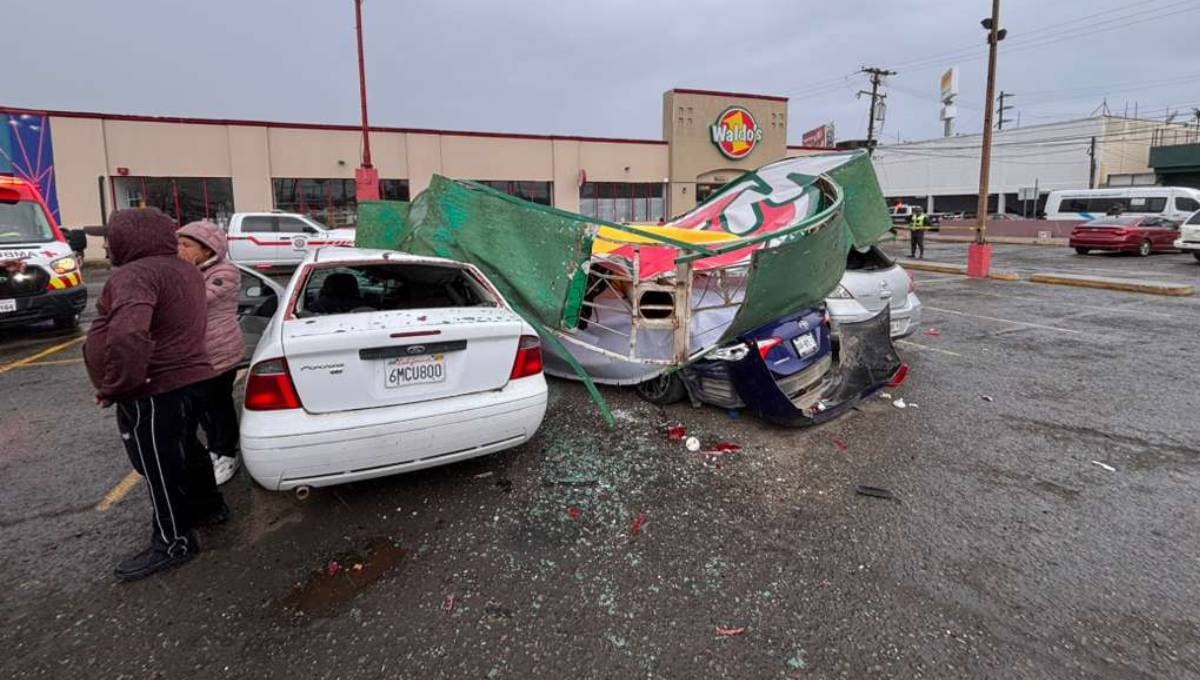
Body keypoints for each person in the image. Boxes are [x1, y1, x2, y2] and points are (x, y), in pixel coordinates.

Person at [84, 208, 225, 582]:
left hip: (153, 387)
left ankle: (174, 541)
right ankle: (210, 507)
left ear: (131, 238)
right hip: (191, 378)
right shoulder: (184, 270)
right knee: (188, 449)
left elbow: (129, 334)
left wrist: (118, 385)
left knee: (158, 464)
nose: (107, 246)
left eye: (111, 238)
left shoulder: (136, 275)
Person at [177, 221, 244, 485]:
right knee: (202, 406)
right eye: (179, 244)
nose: (180, 249)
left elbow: (193, 301)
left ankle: (226, 452)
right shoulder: (191, 271)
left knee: (218, 405)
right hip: (197, 356)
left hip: (219, 353)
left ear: (207, 249)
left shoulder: (225, 272)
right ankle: (215, 448)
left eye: (187, 245)